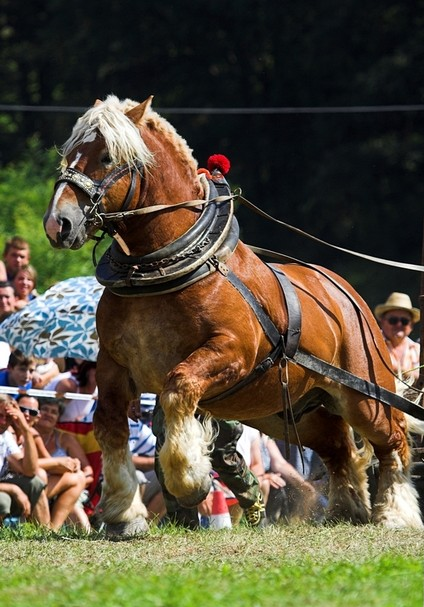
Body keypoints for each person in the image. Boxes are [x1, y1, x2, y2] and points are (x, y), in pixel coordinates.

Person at [152, 403, 266, 529]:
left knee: (222, 453)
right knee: (168, 458)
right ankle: (183, 525)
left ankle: (251, 498)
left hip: (215, 394)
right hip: (169, 394)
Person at [34, 397, 93, 531]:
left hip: (66, 486)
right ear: (37, 412)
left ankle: (55, 532)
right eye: (45, 410)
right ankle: (50, 531)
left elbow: (88, 471)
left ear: (58, 418)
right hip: (41, 483)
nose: (49, 414)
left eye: (54, 412)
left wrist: (76, 471)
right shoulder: (27, 434)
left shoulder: (65, 438)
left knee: (75, 503)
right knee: (75, 479)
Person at [0, 394, 50, 526]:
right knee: (3, 501)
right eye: (0, 416)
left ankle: (45, 537)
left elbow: (29, 471)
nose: (3, 422)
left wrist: (26, 430)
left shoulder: (5, 435)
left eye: (8, 417)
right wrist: (13, 489)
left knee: (35, 483)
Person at [128, 394, 166, 523]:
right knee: (137, 477)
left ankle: (147, 527)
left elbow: (158, 451)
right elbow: (123, 460)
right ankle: (133, 524)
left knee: (169, 477)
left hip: (133, 476)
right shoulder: (123, 422)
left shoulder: (136, 426)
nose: (142, 417)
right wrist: (155, 462)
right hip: (106, 479)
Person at [374, 292, 420, 384]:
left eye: (404, 321)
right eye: (393, 320)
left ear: (411, 325)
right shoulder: (372, 344)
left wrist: (396, 369)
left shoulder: (418, 350)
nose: (399, 324)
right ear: (382, 321)